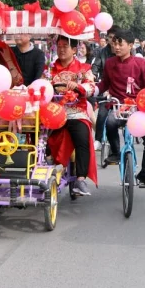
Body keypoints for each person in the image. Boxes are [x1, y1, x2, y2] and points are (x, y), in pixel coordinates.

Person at [95, 29, 145, 194]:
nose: (116, 47)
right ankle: (116, 152)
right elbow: (104, 84)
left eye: (120, 43)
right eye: (114, 43)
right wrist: (93, 90)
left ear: (130, 45)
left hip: (139, 109)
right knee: (109, 122)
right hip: (119, 106)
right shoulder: (110, 63)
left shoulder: (141, 64)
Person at [46, 36, 97, 195]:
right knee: (39, 137)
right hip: (53, 112)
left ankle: (80, 180)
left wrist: (79, 86)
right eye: (59, 46)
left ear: (74, 50)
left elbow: (91, 87)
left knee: (82, 138)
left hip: (75, 112)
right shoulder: (49, 69)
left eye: (65, 46)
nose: (61, 49)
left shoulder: (83, 69)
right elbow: (40, 86)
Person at [92, 26, 119, 150]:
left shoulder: (125, 52)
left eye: (115, 38)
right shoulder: (103, 52)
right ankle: (98, 139)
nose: (113, 42)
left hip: (122, 89)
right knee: (102, 114)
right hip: (105, 86)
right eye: (110, 38)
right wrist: (91, 75)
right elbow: (95, 66)